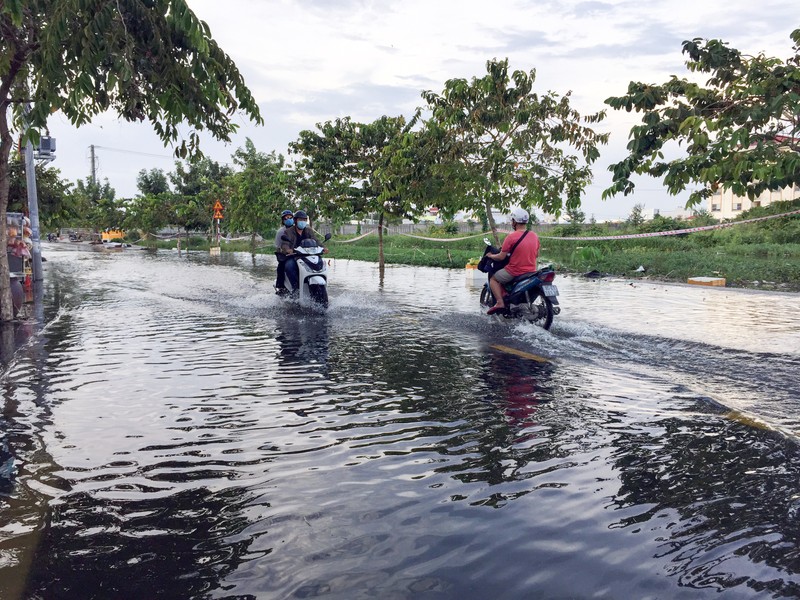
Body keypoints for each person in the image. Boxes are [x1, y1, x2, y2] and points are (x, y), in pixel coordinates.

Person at [485, 208, 540, 315]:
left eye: (512, 221)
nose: (512, 223)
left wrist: (491, 256)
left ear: (515, 221)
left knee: (493, 279)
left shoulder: (511, 237)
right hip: (532, 271)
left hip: (515, 271)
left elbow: (501, 257)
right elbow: (536, 254)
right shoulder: (534, 236)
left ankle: (500, 302)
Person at [280, 210, 327, 293]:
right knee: (289, 266)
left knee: (320, 264)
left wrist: (323, 247)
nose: (303, 222)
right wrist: (288, 250)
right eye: (300, 220)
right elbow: (284, 244)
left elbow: (316, 240)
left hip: (308, 256)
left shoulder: (309, 231)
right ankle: (296, 289)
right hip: (295, 256)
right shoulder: (288, 232)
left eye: (305, 220)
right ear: (295, 221)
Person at [274, 209, 295, 294]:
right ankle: (281, 287)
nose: (288, 219)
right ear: (283, 220)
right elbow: (278, 247)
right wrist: (285, 251)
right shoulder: (280, 232)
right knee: (281, 267)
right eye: (286, 218)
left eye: (290, 217)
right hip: (287, 255)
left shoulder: (297, 229)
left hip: (300, 254)